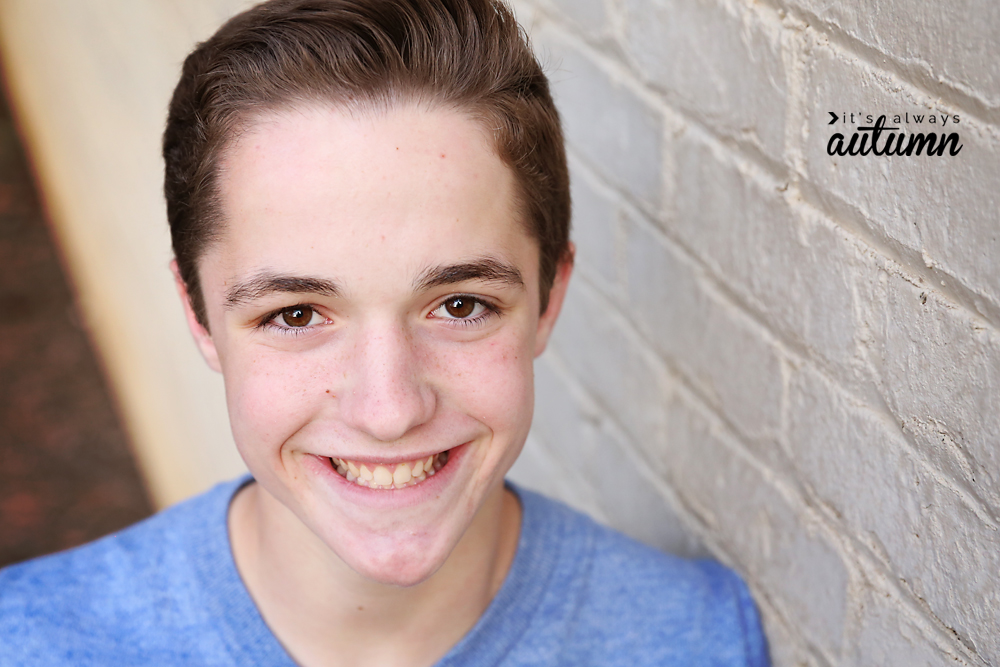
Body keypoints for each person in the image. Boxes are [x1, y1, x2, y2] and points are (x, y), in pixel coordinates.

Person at [0, 1, 770, 665]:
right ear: (200, 314)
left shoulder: (699, 638)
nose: (389, 408)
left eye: (461, 305)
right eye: (295, 314)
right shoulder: (27, 641)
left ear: (549, 296)